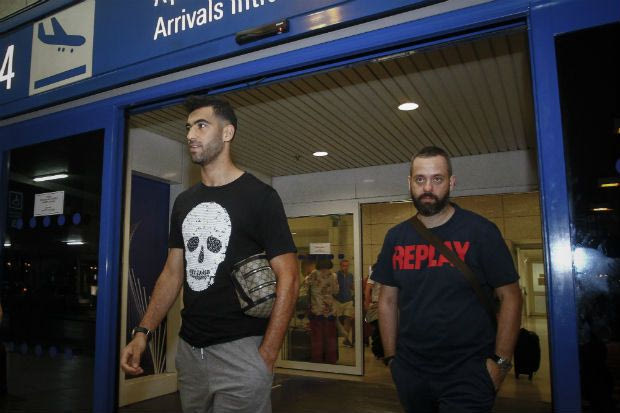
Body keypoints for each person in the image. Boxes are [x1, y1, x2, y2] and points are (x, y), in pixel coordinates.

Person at [120, 96, 299, 413]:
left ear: (227, 133)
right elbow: (172, 274)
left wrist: (267, 353)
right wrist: (142, 332)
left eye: (201, 126)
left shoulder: (260, 197)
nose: (190, 135)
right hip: (190, 353)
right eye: (188, 127)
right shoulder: (184, 203)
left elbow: (290, 278)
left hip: (242, 353)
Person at [372, 146, 522, 413]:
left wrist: (500, 363)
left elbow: (511, 296)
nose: (428, 187)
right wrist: (392, 358)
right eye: (420, 179)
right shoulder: (396, 237)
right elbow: (387, 300)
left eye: (437, 179)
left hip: (469, 372)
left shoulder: (480, 232)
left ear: (451, 183)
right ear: (409, 183)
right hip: (411, 372)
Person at [306, 258, 339, 363]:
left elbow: (305, 285)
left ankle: (317, 358)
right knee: (330, 336)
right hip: (330, 309)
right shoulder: (333, 275)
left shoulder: (314, 274)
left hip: (317, 309)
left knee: (317, 336)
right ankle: (331, 358)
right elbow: (336, 291)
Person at [333, 259, 354, 347]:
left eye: (347, 266)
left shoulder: (350, 275)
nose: (345, 267)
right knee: (336, 321)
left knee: (347, 319)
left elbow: (351, 286)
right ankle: (335, 339)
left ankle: (346, 339)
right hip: (338, 300)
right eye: (343, 266)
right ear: (340, 266)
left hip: (348, 300)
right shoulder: (336, 275)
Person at [363, 272, 383, 359]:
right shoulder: (375, 272)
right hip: (377, 304)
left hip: (387, 304)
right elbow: (368, 288)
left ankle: (381, 352)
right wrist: (367, 305)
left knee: (382, 329)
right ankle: (378, 352)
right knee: (378, 329)